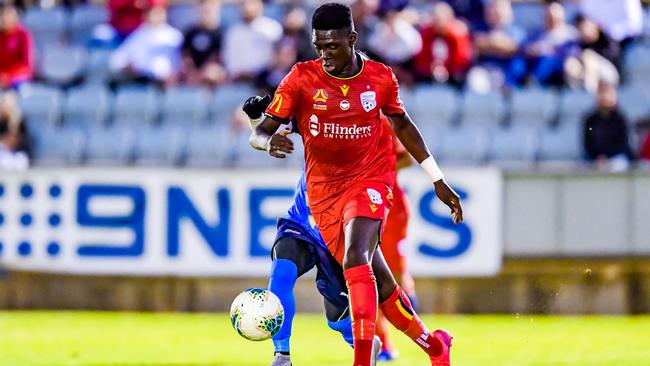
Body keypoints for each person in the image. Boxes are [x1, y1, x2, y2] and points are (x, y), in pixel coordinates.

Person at [249, 4, 463, 366]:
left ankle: (362, 360)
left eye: (333, 46)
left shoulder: (380, 79)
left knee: (355, 258)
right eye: (319, 46)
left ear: (352, 39)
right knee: (383, 288)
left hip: (369, 181)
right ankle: (435, 345)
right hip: (322, 195)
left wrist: (438, 179)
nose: (325, 55)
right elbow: (261, 131)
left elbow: (404, 125)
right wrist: (268, 142)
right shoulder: (302, 78)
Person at [242, 95, 382, 366]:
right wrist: (256, 119)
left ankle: (364, 342)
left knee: (337, 320)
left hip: (338, 234)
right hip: (301, 223)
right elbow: (261, 136)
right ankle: (282, 355)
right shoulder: (314, 116)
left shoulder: (369, 134)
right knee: (281, 272)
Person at [109, 6, 183, 87]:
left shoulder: (174, 35)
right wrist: (127, 65)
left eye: (157, 13)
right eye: (151, 13)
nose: (153, 17)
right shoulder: (138, 34)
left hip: (163, 83)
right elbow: (118, 58)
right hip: (137, 78)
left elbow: (178, 64)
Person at [583, 81, 633, 171]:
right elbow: (588, 143)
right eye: (601, 93)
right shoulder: (590, 120)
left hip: (616, 158)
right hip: (595, 159)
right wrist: (598, 156)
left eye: (607, 93)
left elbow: (624, 143)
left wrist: (607, 156)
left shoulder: (620, 119)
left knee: (618, 165)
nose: (604, 97)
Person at [181, 0, 226, 88]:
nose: (207, 9)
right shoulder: (190, 32)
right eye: (204, 6)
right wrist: (192, 71)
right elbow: (186, 56)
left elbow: (219, 57)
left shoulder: (222, 33)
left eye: (211, 6)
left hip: (213, 73)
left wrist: (206, 71)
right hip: (193, 74)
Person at [0, 3, 33, 89]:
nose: (5, 18)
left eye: (8, 14)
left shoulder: (23, 35)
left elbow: (25, 64)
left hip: (17, 77)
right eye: (3, 14)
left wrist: (8, 76)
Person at [0, 91, 29, 170]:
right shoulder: (1, 121)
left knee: (21, 161)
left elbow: (20, 140)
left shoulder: (19, 121)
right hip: (3, 152)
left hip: (16, 153)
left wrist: (14, 123)